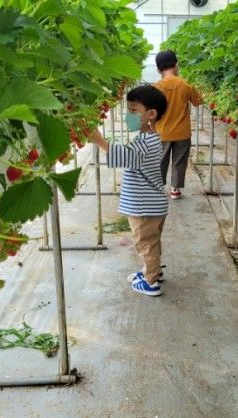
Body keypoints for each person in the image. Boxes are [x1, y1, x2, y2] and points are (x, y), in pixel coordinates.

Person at [89, 85, 168, 296]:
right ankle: (152, 271)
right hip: (152, 204)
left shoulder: (146, 142)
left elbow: (126, 156)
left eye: (133, 111)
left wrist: (99, 141)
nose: (128, 116)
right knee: (152, 242)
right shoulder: (150, 137)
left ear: (151, 114)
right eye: (128, 110)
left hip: (144, 206)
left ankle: (151, 282)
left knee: (146, 243)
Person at [154, 50, 203, 200]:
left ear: (158, 70)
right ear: (176, 65)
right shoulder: (185, 84)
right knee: (179, 161)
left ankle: (158, 188)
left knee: (160, 160)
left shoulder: (156, 87)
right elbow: (198, 101)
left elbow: (151, 111)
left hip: (162, 132)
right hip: (182, 132)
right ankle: (175, 189)